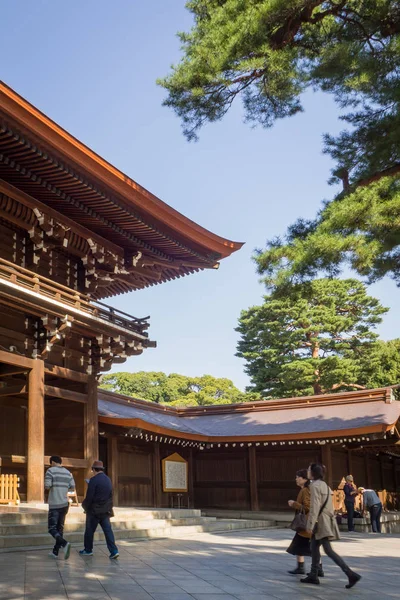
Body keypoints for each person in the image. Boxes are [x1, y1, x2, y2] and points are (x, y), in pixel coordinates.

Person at [300, 463, 361, 589]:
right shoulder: (324, 485)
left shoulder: (314, 486)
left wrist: (310, 524)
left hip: (320, 521)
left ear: (313, 473)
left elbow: (315, 506)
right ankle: (313, 574)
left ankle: (350, 574)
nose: (307, 471)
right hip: (326, 519)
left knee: (328, 550)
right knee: (314, 546)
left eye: (309, 470)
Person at [286, 469, 323, 577]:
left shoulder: (306, 490)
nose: (296, 479)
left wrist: (294, 504)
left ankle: (314, 568)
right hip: (308, 524)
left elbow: (307, 507)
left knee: (310, 547)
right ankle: (304, 567)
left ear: (305, 479)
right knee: (302, 546)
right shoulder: (308, 489)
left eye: (298, 477)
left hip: (306, 524)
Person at [79, 460, 119, 559]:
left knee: (89, 531)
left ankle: (88, 550)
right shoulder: (108, 479)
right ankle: (114, 551)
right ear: (102, 469)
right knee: (108, 531)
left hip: (94, 511)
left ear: (93, 469)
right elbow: (110, 495)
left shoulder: (93, 480)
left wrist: (84, 506)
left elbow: (89, 497)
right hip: (105, 510)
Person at [44, 455, 75, 559]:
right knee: (60, 528)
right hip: (65, 504)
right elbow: (72, 486)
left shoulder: (50, 471)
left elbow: (47, 486)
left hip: (55, 503)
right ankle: (55, 552)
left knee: (51, 528)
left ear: (52, 462)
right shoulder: (68, 472)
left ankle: (64, 543)